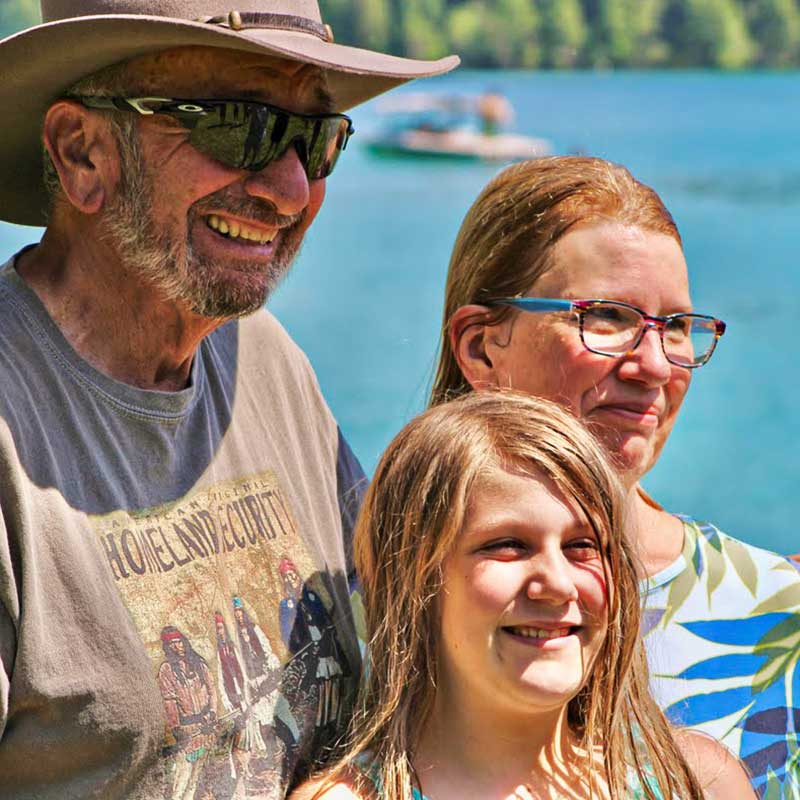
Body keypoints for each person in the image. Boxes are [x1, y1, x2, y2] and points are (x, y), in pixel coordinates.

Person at [0, 1, 457, 797]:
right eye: (236, 125)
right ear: (82, 154)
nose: (289, 189)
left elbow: (396, 662)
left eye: (315, 141)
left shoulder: (264, 361)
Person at [430, 156, 800, 799]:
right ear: (480, 347)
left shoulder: (776, 614)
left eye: (678, 327)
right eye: (607, 317)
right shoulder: (376, 604)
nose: (655, 365)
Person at [290, 391, 754, 800]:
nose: (557, 582)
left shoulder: (696, 782)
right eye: (507, 545)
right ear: (415, 581)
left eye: (583, 546)